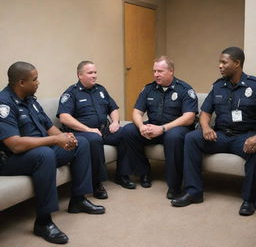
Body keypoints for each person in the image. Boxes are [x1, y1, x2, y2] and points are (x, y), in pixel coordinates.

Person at [0, 62, 105, 244]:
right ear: (21, 82)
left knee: (82, 142)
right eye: (35, 79)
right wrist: (56, 140)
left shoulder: (30, 99)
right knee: (44, 155)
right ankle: (43, 221)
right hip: (12, 159)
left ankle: (78, 200)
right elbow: (14, 145)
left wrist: (65, 138)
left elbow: (49, 127)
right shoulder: (4, 104)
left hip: (40, 150)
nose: (38, 82)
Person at [171, 47, 256, 216]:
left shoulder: (254, 86)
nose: (220, 66)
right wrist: (206, 127)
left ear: (237, 63)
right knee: (191, 138)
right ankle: (193, 192)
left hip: (245, 136)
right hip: (221, 135)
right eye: (220, 62)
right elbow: (205, 113)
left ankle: (249, 199)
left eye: (224, 62)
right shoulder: (218, 86)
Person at [121, 56, 198, 197]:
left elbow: (189, 117)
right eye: (154, 71)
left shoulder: (185, 89)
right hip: (154, 127)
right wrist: (141, 126)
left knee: (173, 137)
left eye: (160, 71)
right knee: (128, 130)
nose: (156, 74)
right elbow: (137, 112)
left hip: (175, 128)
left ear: (171, 71)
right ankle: (143, 173)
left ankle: (174, 185)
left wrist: (163, 128)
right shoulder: (148, 89)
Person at [57, 61, 135, 196]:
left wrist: (115, 122)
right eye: (90, 73)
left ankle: (122, 175)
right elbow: (64, 117)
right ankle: (96, 183)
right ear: (79, 75)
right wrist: (88, 130)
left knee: (127, 131)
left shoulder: (100, 90)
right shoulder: (71, 93)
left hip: (103, 129)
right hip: (82, 133)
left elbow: (113, 108)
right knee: (94, 138)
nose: (94, 76)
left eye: (95, 72)